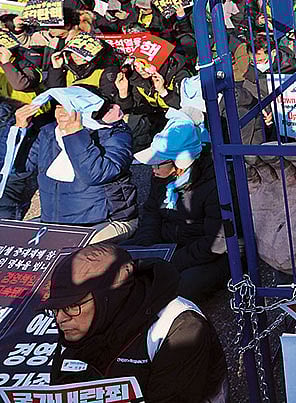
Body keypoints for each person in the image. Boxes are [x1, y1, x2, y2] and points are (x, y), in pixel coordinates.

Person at [43, 245, 227, 402]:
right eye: (56, 309)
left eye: (73, 306)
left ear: (109, 298)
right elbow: (61, 386)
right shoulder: (78, 326)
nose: (60, 319)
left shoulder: (179, 328)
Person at [16, 87, 138, 242]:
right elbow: (18, 170)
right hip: (55, 222)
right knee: (13, 243)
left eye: (68, 107)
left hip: (106, 222)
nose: (61, 113)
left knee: (77, 256)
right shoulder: (48, 133)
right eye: (58, 107)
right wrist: (20, 131)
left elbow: (95, 175)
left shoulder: (114, 133)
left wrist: (75, 135)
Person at [127, 117, 227, 303]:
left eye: (159, 163)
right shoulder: (161, 176)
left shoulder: (213, 184)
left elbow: (216, 242)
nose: (153, 168)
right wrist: (146, 247)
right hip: (170, 244)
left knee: (180, 288)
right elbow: (152, 211)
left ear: (180, 164)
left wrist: (170, 260)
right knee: (119, 260)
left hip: (207, 254)